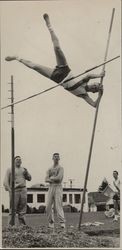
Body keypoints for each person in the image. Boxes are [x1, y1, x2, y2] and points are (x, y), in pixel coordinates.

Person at [5, 13, 105, 108]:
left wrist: (100, 95)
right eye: (95, 84)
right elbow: (89, 75)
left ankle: (17, 58)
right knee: (57, 48)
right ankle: (49, 26)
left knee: (35, 67)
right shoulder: (84, 82)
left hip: (57, 78)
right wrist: (100, 75)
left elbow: (94, 105)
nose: (94, 86)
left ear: (93, 91)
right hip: (65, 70)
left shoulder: (84, 95)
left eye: (95, 88)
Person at [3, 156, 32, 225]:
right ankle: (11, 226)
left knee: (22, 209)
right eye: (17, 159)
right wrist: (10, 190)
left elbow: (29, 178)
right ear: (14, 161)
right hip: (14, 190)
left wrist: (27, 173)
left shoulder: (23, 169)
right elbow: (5, 182)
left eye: (19, 160)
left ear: (21, 161)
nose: (18, 161)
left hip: (23, 189)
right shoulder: (10, 169)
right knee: (13, 209)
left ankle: (23, 226)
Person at [45, 153, 65, 229]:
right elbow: (46, 179)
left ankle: (62, 223)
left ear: (59, 159)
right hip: (51, 187)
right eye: (55, 157)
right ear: (52, 158)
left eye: (57, 157)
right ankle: (51, 222)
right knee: (48, 206)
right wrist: (53, 178)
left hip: (58, 187)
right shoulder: (49, 169)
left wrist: (52, 178)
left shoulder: (61, 168)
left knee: (58, 205)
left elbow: (59, 178)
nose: (56, 158)